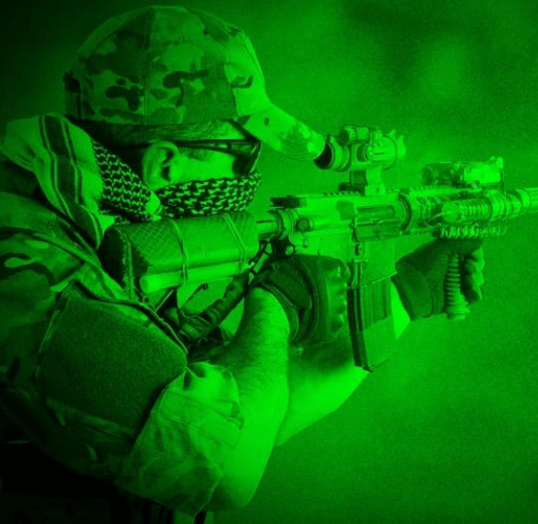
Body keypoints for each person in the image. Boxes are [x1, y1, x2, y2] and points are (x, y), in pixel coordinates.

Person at [0, 5, 485, 523]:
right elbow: (229, 470)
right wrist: (274, 307)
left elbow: (247, 419)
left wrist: (411, 291)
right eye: (245, 157)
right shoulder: (36, 279)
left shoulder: (102, 235)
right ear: (165, 163)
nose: (249, 182)